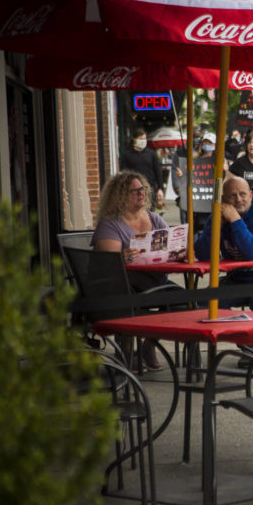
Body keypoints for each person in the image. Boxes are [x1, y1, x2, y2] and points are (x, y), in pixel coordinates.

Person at [92, 169, 170, 370]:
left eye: (142, 189)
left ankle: (148, 344)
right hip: (123, 284)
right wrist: (122, 257)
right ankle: (126, 356)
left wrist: (181, 251)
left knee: (185, 300)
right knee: (130, 304)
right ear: (119, 197)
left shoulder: (154, 219)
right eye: (133, 191)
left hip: (156, 281)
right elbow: (108, 264)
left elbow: (172, 244)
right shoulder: (110, 225)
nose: (141, 194)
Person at [192, 175, 253, 311]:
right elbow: (202, 254)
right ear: (223, 200)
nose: (238, 199)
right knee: (206, 298)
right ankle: (226, 331)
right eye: (233, 196)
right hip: (240, 279)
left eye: (242, 194)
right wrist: (214, 227)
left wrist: (236, 221)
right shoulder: (219, 214)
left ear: (250, 195)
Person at [119, 128, 164, 211]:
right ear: (134, 139)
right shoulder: (127, 155)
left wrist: (160, 189)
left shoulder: (151, 154)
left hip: (149, 190)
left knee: (149, 214)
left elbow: (158, 172)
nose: (143, 141)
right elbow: (124, 173)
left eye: (144, 139)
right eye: (141, 139)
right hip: (133, 191)